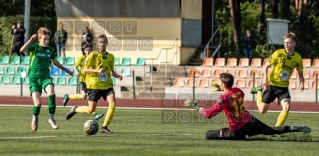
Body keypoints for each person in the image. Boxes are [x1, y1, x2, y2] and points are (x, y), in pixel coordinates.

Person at [184, 73, 311, 140]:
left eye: (220, 83)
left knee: (208, 134)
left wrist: (196, 106)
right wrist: (222, 89)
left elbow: (208, 114)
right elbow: (232, 93)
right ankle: (295, 128)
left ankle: (241, 136)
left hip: (238, 130)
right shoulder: (238, 91)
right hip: (250, 121)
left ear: (223, 84)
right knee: (271, 131)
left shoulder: (224, 99)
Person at [66, 34, 123, 133]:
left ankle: (104, 127)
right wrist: (97, 71)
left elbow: (111, 71)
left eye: (104, 42)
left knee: (113, 103)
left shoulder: (111, 57)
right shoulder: (93, 55)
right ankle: (75, 109)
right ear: (97, 43)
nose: (103, 44)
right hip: (94, 85)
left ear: (107, 43)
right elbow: (85, 69)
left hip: (107, 85)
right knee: (91, 110)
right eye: (100, 42)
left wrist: (117, 76)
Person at [20, 27, 73, 131]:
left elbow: (55, 62)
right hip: (34, 78)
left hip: (45, 77)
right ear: (39, 39)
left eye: (48, 39)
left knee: (51, 92)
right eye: (44, 39)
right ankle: (35, 117)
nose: (47, 41)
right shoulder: (34, 47)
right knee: (38, 104)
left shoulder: (50, 49)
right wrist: (31, 40)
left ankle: (51, 118)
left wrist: (67, 70)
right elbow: (22, 50)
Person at [251, 32, 304, 127]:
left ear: (294, 43)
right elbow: (266, 66)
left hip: (283, 88)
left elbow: (300, 73)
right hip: (271, 85)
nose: (286, 44)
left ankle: (277, 129)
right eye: (285, 42)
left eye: (288, 42)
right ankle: (259, 91)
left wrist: (302, 82)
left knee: (287, 107)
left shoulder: (298, 58)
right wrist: (264, 79)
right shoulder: (278, 53)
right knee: (262, 111)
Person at [62, 43, 104, 120]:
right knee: (89, 96)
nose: (87, 51)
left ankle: (68, 97)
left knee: (83, 97)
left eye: (89, 50)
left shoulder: (93, 58)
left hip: (90, 80)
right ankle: (95, 114)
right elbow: (74, 66)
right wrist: (77, 72)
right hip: (84, 80)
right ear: (83, 51)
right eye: (86, 50)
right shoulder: (82, 58)